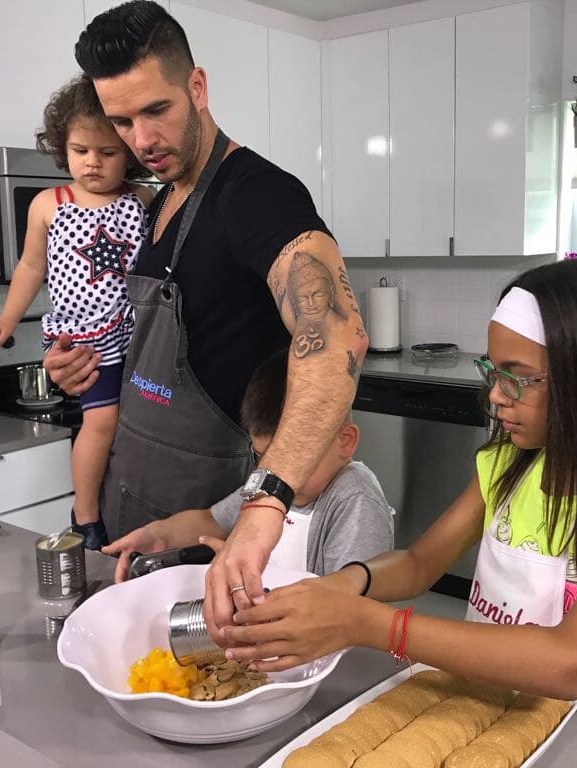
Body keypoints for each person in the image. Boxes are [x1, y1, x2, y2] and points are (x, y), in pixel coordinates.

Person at [219, 259, 577, 735]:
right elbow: (420, 562)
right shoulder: (509, 463)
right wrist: (343, 586)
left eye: (518, 377)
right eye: (492, 370)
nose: (496, 396)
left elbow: (569, 662)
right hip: (483, 700)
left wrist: (371, 625)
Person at [45, 1, 368, 627]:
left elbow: (337, 335)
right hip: (140, 511)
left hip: (214, 531)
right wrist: (79, 362)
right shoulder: (156, 203)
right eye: (122, 122)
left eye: (156, 110)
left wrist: (265, 503)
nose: (141, 140)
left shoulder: (258, 195)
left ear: (197, 86)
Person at [0, 76, 155, 549]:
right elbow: (31, 267)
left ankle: (127, 503)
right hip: (83, 333)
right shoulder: (49, 205)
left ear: (130, 153)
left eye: (108, 153)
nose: (92, 162)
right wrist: (7, 321)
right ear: (61, 148)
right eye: (79, 150)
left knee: (141, 420)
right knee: (100, 421)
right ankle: (86, 514)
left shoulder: (142, 200)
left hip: (136, 327)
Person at [103, 348, 395, 583]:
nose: (279, 475)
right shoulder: (271, 481)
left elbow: (347, 607)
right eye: (263, 457)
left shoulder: (355, 501)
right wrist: (159, 535)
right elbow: (212, 521)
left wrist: (256, 579)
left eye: (295, 459)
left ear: (344, 441)